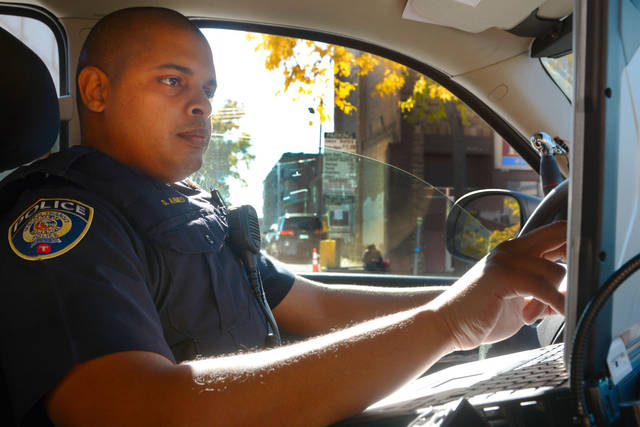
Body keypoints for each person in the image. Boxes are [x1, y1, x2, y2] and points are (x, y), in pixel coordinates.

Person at [0, 7, 567, 427]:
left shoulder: (193, 208)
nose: (201, 104)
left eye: (208, 89)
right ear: (97, 91)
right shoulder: (63, 222)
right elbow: (139, 411)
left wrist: (474, 300)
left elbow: (317, 305)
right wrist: (445, 324)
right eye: (172, 81)